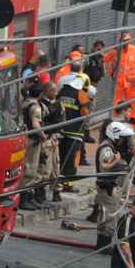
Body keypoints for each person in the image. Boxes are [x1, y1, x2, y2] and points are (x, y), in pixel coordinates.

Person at [93, 121, 135, 247]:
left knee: (113, 217)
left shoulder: (113, 148)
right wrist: (116, 161)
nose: (125, 142)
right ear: (116, 137)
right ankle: (102, 246)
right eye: (124, 139)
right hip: (106, 188)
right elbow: (105, 165)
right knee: (108, 218)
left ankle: (106, 243)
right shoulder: (107, 149)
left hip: (112, 188)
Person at [57, 61, 91, 193]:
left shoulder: (63, 89)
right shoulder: (81, 94)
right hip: (75, 131)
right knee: (72, 159)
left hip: (62, 129)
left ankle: (59, 182)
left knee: (61, 155)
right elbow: (84, 113)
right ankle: (68, 184)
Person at [19, 85, 46, 210]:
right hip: (32, 140)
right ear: (40, 95)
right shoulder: (35, 107)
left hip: (23, 138)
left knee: (25, 167)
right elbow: (36, 125)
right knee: (30, 169)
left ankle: (28, 198)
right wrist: (43, 135)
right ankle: (24, 200)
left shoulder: (24, 103)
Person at [38, 82, 63, 203]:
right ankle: (41, 191)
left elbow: (62, 120)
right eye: (53, 91)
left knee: (55, 166)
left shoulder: (58, 104)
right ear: (47, 91)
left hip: (54, 138)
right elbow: (41, 123)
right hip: (46, 139)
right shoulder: (41, 105)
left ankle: (56, 191)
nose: (56, 93)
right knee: (45, 168)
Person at [105, 33, 135, 111]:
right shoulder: (115, 51)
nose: (126, 42)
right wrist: (111, 73)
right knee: (117, 102)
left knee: (131, 101)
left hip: (130, 81)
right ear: (120, 41)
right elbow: (105, 60)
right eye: (124, 40)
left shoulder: (134, 49)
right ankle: (116, 117)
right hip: (119, 81)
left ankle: (130, 118)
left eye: (127, 40)